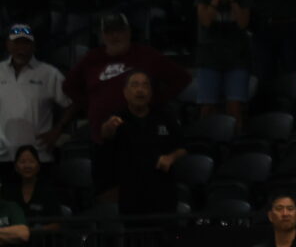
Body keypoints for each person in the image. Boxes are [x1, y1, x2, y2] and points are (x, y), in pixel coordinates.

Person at [59, 12, 189, 141]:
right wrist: (90, 104)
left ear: (128, 32)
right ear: (103, 36)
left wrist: (156, 101)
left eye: (119, 30)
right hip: (102, 133)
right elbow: (69, 86)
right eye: (109, 32)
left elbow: (181, 78)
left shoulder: (146, 55)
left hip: (140, 131)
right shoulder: (92, 58)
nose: (114, 36)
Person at [95, 71, 185, 216]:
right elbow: (105, 134)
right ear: (125, 92)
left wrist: (171, 157)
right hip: (131, 193)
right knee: (134, 236)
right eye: (135, 85)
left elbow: (183, 147)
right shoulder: (117, 119)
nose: (140, 90)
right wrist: (107, 128)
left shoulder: (165, 116)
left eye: (145, 85)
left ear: (150, 92)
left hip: (163, 191)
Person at [0, 24, 70, 167]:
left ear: (33, 46)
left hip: (38, 156)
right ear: (8, 45)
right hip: (3, 155)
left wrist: (58, 129)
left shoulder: (49, 73)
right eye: (16, 43)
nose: (21, 48)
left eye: (25, 43)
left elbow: (72, 103)